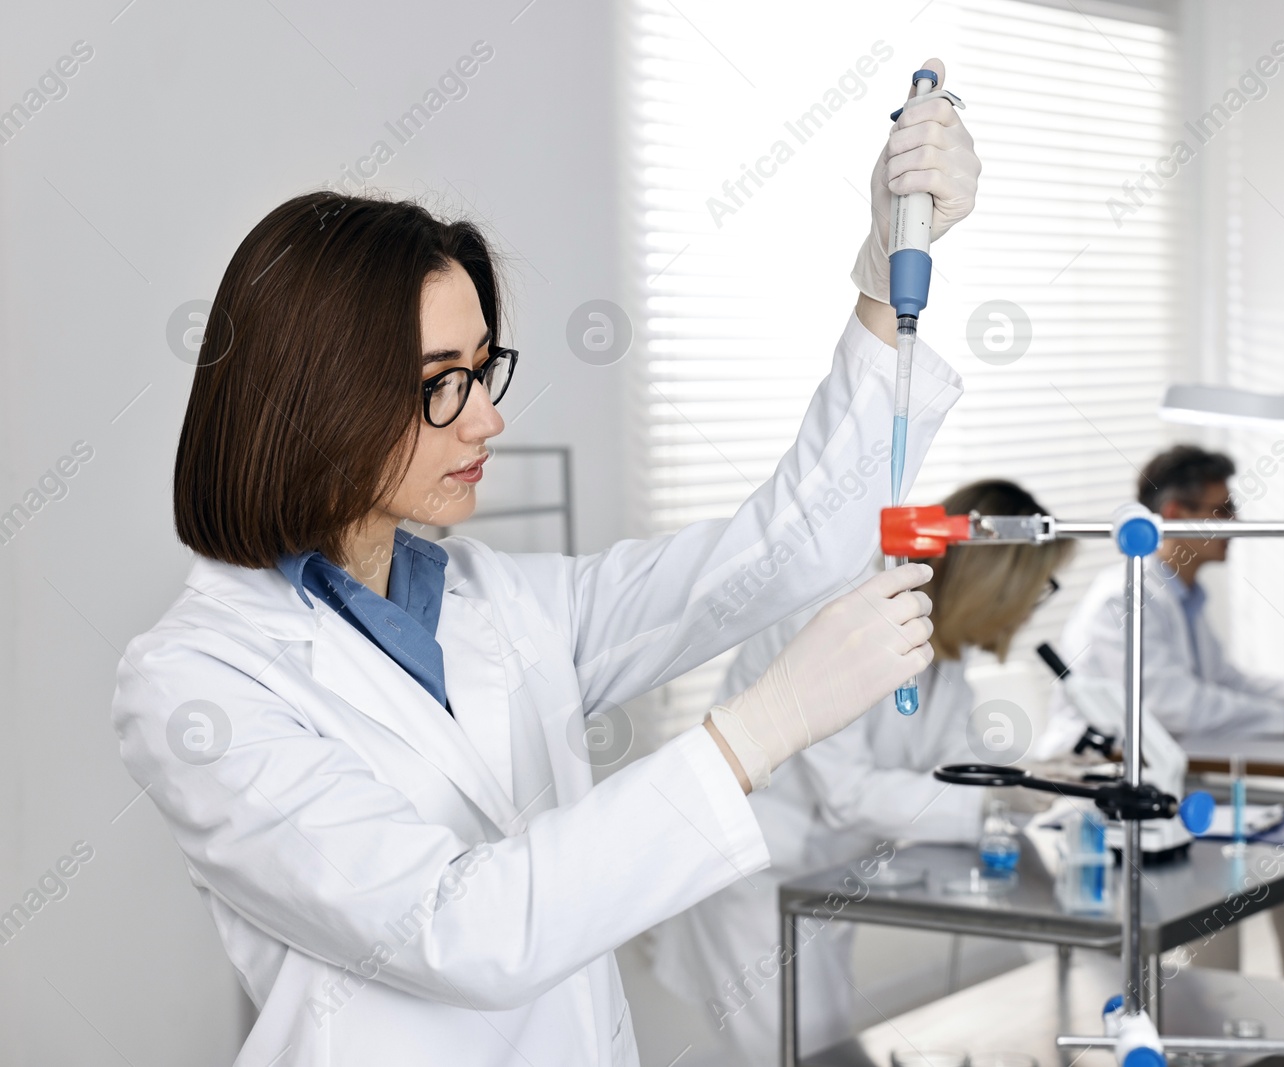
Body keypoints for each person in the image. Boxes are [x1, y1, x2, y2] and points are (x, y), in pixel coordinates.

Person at [109, 61, 979, 1067]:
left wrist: (883, 272)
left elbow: (775, 552)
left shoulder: (500, 599)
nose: (488, 415)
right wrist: (759, 729)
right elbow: (453, 927)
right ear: (318, 399)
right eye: (442, 384)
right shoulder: (194, 681)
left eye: (484, 369)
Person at [652, 479, 1072, 1065]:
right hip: (756, 884)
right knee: (796, 1055)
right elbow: (847, 794)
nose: (1034, 606)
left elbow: (952, 763)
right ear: (995, 583)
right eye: (1036, 589)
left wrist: (1026, 780)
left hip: (821, 881)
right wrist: (994, 799)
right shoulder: (849, 622)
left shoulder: (939, 651)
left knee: (829, 1049)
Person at [1054, 444, 1284, 980]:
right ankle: (1214, 1020)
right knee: (1229, 859)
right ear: (1177, 518)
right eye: (1224, 511)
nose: (1236, 525)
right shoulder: (1124, 599)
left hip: (1179, 765)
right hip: (1108, 776)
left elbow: (1224, 680)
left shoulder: (1182, 594)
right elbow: (1175, 703)